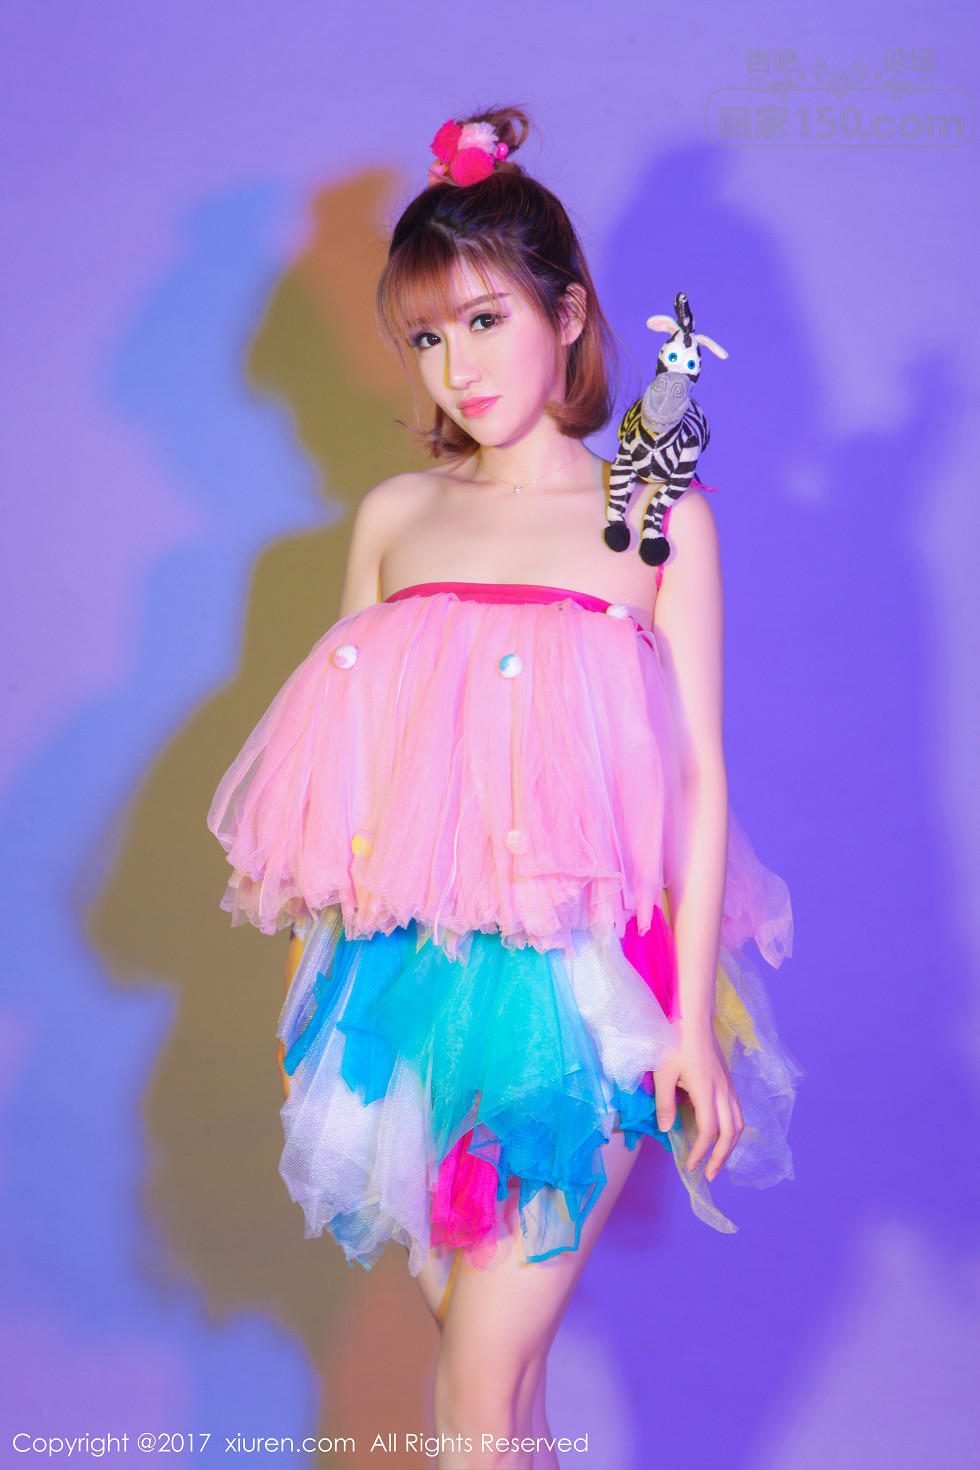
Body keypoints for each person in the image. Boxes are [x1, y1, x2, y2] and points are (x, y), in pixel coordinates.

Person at [207, 105, 802, 1470]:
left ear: (568, 314)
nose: (457, 366)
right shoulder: (397, 518)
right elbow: (342, 782)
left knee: (475, 1391)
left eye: (485, 320)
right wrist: (310, 1009)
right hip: (398, 991)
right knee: (504, 1393)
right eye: (426, 336)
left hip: (585, 992)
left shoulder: (657, 519)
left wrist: (692, 1026)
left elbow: (700, 775)